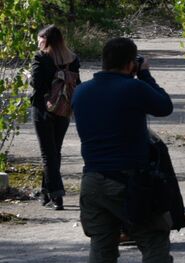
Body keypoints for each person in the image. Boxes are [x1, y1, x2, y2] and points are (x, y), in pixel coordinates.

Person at [72, 37, 174, 263]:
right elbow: (164, 106)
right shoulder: (133, 87)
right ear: (131, 64)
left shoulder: (80, 92)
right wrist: (145, 75)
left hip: (92, 181)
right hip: (129, 180)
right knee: (153, 238)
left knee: (101, 245)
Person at [31, 24, 81, 210]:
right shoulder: (72, 59)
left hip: (43, 108)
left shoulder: (41, 58)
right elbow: (78, 83)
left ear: (47, 40)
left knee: (47, 154)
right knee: (55, 151)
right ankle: (45, 193)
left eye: (40, 40)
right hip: (64, 108)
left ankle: (56, 195)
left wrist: (30, 75)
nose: (38, 43)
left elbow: (36, 83)